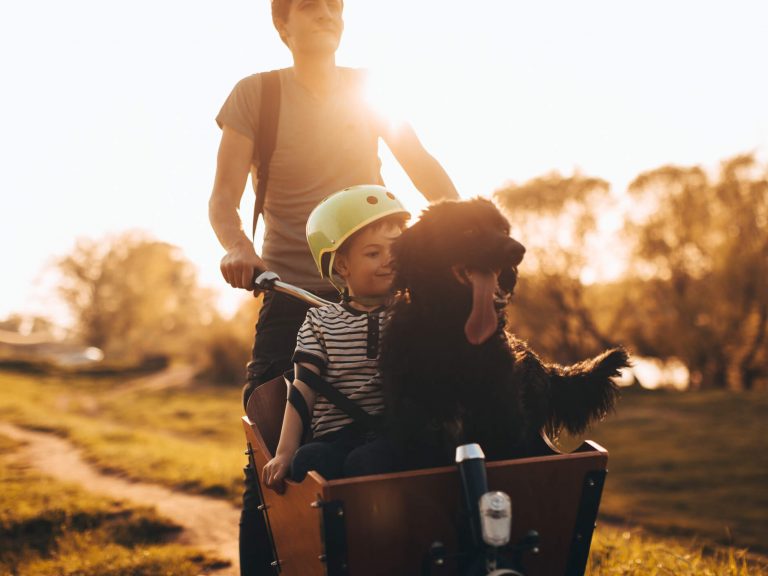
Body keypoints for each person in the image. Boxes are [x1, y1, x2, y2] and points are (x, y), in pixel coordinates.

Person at [208, 0, 458, 573]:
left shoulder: (370, 89)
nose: (326, 13)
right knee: (269, 454)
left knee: (417, 431)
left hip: (382, 295)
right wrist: (239, 247)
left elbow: (421, 164)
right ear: (282, 25)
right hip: (291, 294)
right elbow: (223, 197)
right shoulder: (256, 95)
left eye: (334, 5)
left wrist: (463, 234)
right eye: (309, 5)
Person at [261, 185, 407, 493]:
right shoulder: (319, 321)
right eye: (373, 253)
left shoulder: (410, 313)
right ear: (342, 265)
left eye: (396, 251)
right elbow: (302, 388)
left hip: (393, 432)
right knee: (308, 460)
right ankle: (328, 524)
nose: (389, 260)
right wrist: (285, 452)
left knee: (367, 462)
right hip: (335, 435)